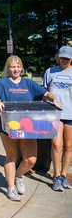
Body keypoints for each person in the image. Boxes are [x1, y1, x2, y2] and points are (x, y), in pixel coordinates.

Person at [0, 55, 60, 201]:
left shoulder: (28, 83)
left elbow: (45, 93)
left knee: (31, 160)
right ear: (8, 68)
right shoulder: (2, 83)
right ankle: (11, 188)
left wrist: (54, 99)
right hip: (9, 125)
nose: (15, 69)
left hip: (28, 126)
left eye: (18, 67)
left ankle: (18, 176)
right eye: (12, 67)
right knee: (12, 156)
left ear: (21, 68)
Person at [42, 46, 72, 191]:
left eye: (67, 57)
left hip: (70, 113)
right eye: (62, 57)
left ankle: (64, 175)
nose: (64, 60)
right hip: (54, 113)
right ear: (58, 57)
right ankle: (56, 175)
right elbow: (45, 93)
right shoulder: (50, 72)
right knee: (56, 145)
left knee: (68, 146)